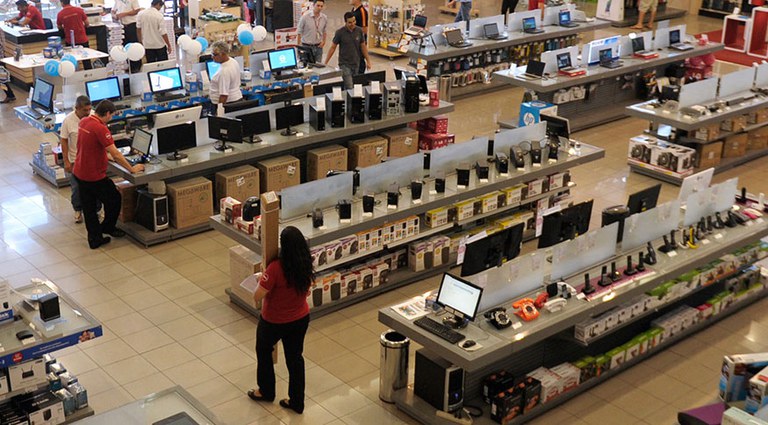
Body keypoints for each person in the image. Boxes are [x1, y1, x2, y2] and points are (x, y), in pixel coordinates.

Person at [248, 226, 313, 415]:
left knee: (264, 350)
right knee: (295, 358)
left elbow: (257, 296)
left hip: (274, 322)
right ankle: (297, 401)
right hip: (300, 318)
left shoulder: (275, 268)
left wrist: (262, 279)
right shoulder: (306, 263)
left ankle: (266, 391)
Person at [73, 100, 144, 249]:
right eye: (111, 115)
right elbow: (117, 154)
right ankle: (107, 227)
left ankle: (94, 239)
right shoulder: (100, 128)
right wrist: (132, 169)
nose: (111, 118)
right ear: (107, 113)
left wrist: (104, 155)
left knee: (89, 208)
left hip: (80, 172)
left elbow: (91, 145)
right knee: (114, 198)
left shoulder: (84, 121)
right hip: (94, 175)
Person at [60, 96, 102, 223]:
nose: (88, 113)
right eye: (85, 110)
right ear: (76, 109)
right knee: (77, 188)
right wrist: (67, 161)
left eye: (89, 109)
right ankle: (78, 209)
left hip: (92, 161)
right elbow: (64, 140)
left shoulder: (94, 117)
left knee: (95, 187)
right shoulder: (68, 121)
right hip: (75, 161)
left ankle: (97, 209)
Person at [325, 12, 372, 89]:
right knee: (350, 86)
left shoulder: (359, 31)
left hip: (356, 63)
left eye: (354, 21)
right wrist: (326, 62)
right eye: (350, 22)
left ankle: (346, 99)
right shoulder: (340, 32)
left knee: (352, 85)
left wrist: (368, 61)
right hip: (344, 64)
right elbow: (333, 47)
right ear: (345, 22)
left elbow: (363, 46)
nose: (352, 24)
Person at [57, 0, 92, 70]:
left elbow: (59, 26)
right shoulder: (79, 10)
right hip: (82, 39)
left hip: (70, 41)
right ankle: (90, 77)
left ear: (62, 3)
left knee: (71, 62)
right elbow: (87, 24)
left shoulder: (60, 14)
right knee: (87, 61)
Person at [112, 0, 142, 72]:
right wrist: (114, 15)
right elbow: (113, 10)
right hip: (122, 26)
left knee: (133, 46)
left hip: (131, 25)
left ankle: (137, 66)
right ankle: (130, 65)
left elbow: (137, 10)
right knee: (125, 47)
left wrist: (124, 14)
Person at [296, 0, 327, 65]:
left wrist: (324, 41)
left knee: (318, 66)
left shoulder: (324, 18)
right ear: (313, 5)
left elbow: (324, 30)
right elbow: (299, 32)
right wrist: (298, 47)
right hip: (306, 46)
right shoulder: (305, 17)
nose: (319, 8)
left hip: (318, 46)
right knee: (306, 67)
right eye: (318, 5)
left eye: (321, 6)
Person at [349, 0, 368, 74]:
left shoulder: (362, 11)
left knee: (359, 61)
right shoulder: (353, 10)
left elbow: (364, 29)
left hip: (358, 42)